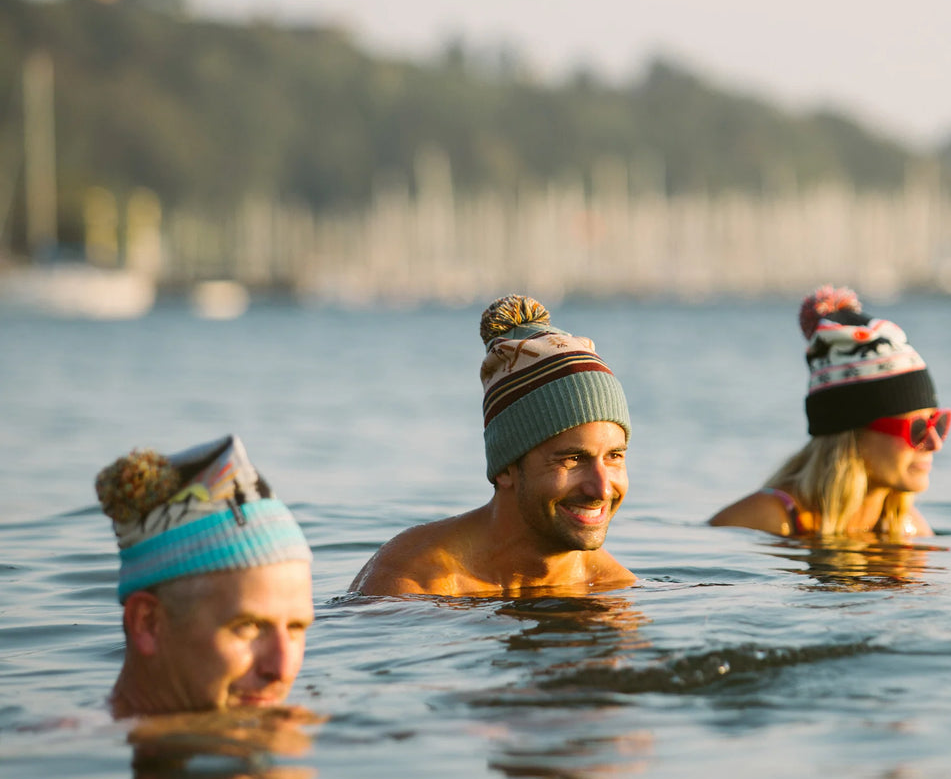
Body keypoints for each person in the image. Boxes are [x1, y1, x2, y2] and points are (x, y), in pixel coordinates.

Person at [352, 294, 635, 596]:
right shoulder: (416, 583)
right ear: (506, 467)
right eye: (574, 459)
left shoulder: (614, 589)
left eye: (614, 456)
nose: (602, 488)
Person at [709, 285, 951, 540]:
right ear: (852, 432)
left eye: (940, 423)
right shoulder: (764, 521)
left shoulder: (907, 528)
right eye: (917, 428)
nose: (935, 444)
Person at [96, 435, 314, 717]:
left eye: (296, 628)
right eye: (248, 626)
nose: (282, 669)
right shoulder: (68, 746)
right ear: (147, 623)